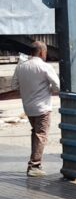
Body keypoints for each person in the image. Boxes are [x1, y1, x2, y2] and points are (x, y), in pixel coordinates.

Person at [11, 42, 60, 177]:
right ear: (42, 52)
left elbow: (14, 85)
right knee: (41, 135)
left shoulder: (21, 67)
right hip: (43, 107)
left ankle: (34, 163)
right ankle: (34, 165)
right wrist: (48, 89)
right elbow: (57, 86)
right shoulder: (45, 67)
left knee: (36, 133)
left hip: (28, 107)